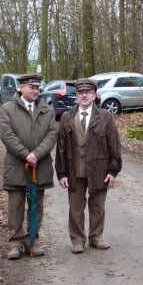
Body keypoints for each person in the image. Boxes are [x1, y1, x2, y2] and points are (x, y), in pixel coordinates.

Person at [55, 78, 122, 253]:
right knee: (76, 208)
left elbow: (114, 145)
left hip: (99, 171)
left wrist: (113, 171)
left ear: (95, 95)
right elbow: (60, 148)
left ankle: (96, 237)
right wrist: (61, 173)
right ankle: (77, 240)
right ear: (76, 95)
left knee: (98, 207)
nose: (84, 95)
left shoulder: (105, 117)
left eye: (88, 92)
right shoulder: (66, 117)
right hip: (74, 171)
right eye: (80, 92)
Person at [0, 73, 57, 260]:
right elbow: (7, 135)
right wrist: (26, 155)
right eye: (31, 87)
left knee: (36, 206)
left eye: (37, 87)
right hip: (17, 166)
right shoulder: (8, 108)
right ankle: (16, 243)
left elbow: (52, 134)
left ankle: (32, 241)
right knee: (15, 206)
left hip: (40, 166)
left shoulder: (47, 109)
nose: (35, 90)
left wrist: (36, 154)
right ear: (21, 87)